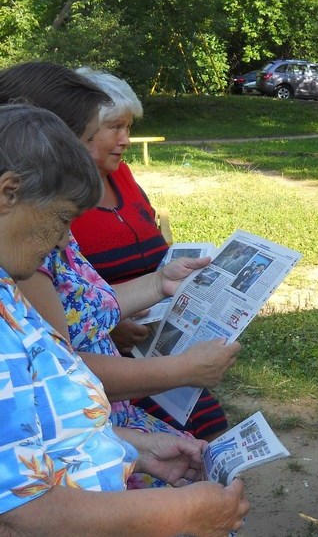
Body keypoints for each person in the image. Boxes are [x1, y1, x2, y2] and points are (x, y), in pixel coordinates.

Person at [0, 103, 249, 535]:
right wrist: (181, 513)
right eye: (62, 220)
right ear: (8, 193)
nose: (63, 242)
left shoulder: (9, 289)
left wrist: (136, 448)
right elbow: (22, 511)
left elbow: (41, 430)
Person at [0, 62, 239, 447]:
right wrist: (181, 369)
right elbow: (63, 376)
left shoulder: (40, 226)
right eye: (91, 137)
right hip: (93, 426)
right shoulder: (25, 251)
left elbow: (80, 312)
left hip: (107, 416)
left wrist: (160, 282)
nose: (66, 238)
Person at [72, 67, 231, 440]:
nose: (125, 139)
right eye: (115, 127)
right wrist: (112, 326)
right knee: (179, 441)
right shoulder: (60, 203)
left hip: (154, 340)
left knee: (209, 424)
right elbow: (66, 300)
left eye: (129, 127)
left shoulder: (121, 175)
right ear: (79, 129)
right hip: (106, 355)